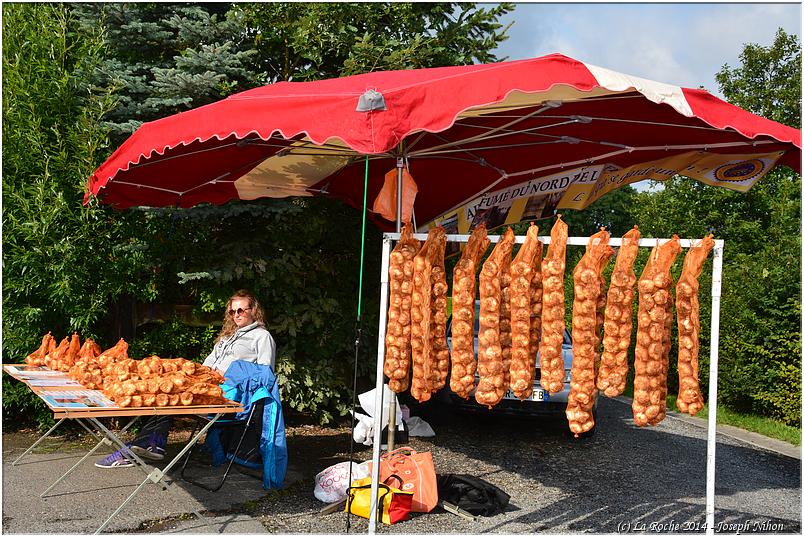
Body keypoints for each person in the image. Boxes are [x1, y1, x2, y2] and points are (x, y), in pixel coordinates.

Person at [95, 289, 276, 468]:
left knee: (172, 400)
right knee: (163, 390)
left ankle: (150, 444)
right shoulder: (228, 336)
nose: (236, 315)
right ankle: (149, 443)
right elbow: (209, 362)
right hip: (207, 384)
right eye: (232, 311)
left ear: (253, 310)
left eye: (241, 310)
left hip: (229, 394)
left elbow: (265, 375)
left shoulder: (261, 337)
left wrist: (230, 376)